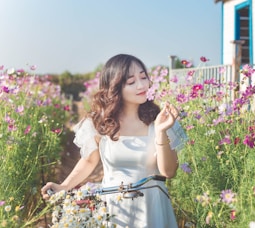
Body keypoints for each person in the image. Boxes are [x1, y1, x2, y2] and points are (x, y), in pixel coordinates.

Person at [41, 54, 187, 228]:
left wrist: (161, 131)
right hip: (115, 209)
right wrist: (63, 186)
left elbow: (168, 172)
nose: (141, 85)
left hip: (152, 208)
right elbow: (89, 160)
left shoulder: (160, 120)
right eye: (131, 82)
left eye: (143, 77)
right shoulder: (100, 123)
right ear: (115, 88)